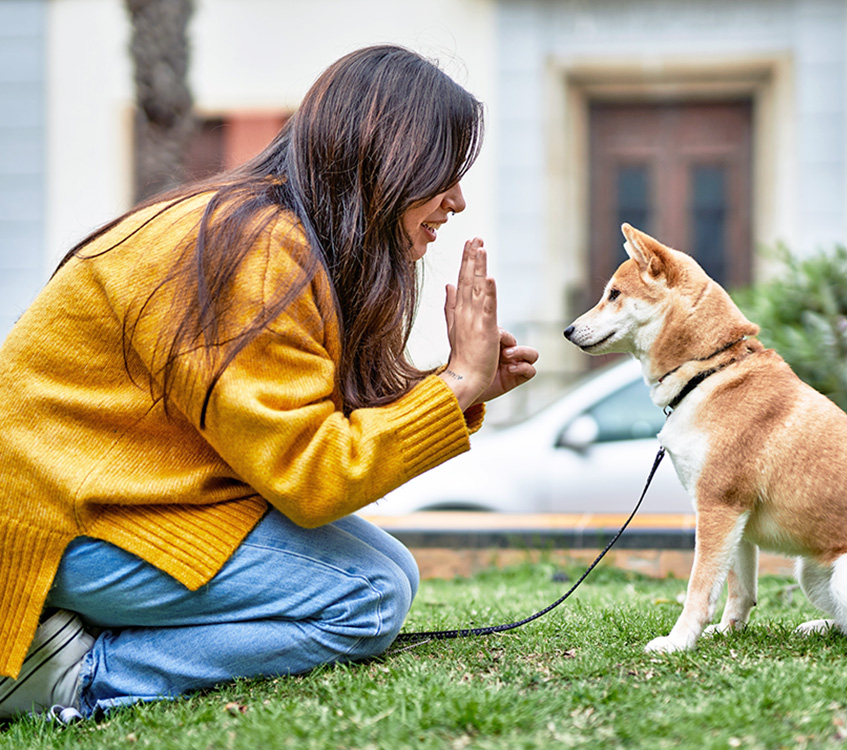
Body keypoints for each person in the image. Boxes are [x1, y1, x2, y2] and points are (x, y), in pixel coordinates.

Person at [0, 44, 538, 723]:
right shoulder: (257, 251)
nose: (457, 201)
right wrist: (454, 384)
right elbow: (310, 477)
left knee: (393, 571)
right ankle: (74, 675)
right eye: (444, 175)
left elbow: (291, 424)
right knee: (367, 595)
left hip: (121, 497)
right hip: (59, 530)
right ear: (386, 160)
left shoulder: (273, 231)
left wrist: (462, 389)